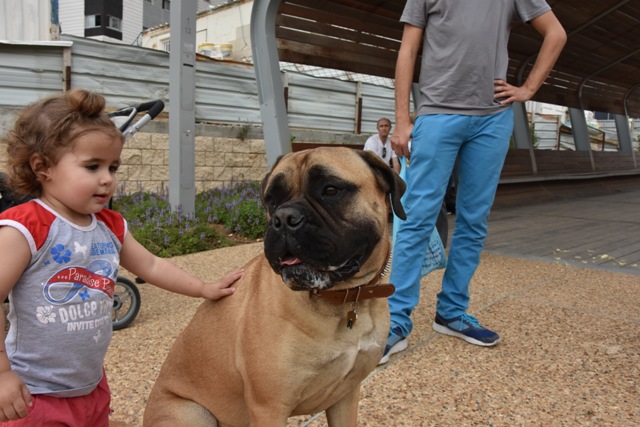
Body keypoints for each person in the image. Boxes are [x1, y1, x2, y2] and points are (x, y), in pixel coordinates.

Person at [0, 89, 244, 425]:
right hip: (33, 394)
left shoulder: (109, 226)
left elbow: (152, 265)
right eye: (92, 166)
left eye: (112, 167)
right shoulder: (27, 227)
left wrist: (204, 288)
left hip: (90, 388)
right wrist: (2, 372)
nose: (107, 179)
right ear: (43, 168)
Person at [381, 0, 566, 363]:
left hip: (493, 119)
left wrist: (528, 88)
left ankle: (451, 312)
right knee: (417, 217)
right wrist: (402, 120)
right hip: (437, 114)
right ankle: (395, 321)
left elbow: (556, 33)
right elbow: (408, 51)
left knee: (473, 220)